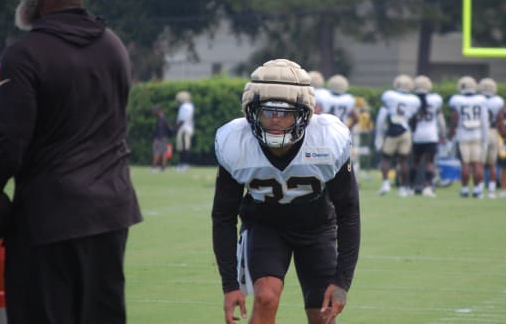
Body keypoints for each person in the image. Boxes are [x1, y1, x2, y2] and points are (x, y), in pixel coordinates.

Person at [0, 0, 142, 323]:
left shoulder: (26, 53)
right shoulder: (113, 46)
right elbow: (83, 109)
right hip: (110, 216)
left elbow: (6, 148)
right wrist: (9, 96)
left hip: (49, 221)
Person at [212, 59, 360, 324]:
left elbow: (349, 213)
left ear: (304, 113)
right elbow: (223, 216)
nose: (275, 121)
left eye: (285, 112)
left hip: (317, 227)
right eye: (268, 112)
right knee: (266, 298)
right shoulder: (235, 143)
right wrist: (229, 284)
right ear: (251, 112)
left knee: (322, 315)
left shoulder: (327, 141)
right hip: (264, 225)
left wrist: (342, 283)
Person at [375, 74, 421, 197]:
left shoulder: (390, 96)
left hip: (393, 130)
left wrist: (379, 135)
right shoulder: (414, 100)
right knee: (404, 160)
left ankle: (386, 183)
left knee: (386, 158)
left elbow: (382, 116)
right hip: (406, 130)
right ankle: (403, 188)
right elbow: (415, 119)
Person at [448, 76, 489, 198]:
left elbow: (454, 119)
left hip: (463, 135)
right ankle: (477, 189)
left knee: (465, 164)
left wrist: (451, 134)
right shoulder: (481, 100)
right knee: (477, 164)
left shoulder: (457, 100)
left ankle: (465, 189)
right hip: (477, 135)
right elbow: (484, 121)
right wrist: (485, 138)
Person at [409, 75, 445, 197]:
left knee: (415, 163)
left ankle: (411, 187)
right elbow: (441, 121)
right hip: (431, 136)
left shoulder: (412, 101)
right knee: (430, 163)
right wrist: (443, 134)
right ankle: (428, 187)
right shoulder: (435, 100)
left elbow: (411, 120)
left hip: (417, 136)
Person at [478, 78, 505, 199]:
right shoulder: (497, 101)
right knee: (493, 163)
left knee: (480, 163)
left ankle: (479, 189)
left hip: (480, 132)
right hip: (493, 131)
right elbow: (500, 120)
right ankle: (492, 190)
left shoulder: (477, 100)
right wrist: (504, 135)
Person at [175, 90, 194, 171]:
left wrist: (176, 127)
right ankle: (182, 164)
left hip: (185, 129)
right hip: (184, 128)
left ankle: (184, 164)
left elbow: (183, 119)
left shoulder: (186, 106)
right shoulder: (186, 106)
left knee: (184, 147)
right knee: (182, 147)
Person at [152, 104, 173, 172]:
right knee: (164, 152)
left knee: (157, 152)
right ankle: (163, 167)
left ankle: (154, 167)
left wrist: (158, 140)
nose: (154, 113)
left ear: (158, 111)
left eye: (154, 111)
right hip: (165, 138)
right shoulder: (165, 118)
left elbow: (160, 130)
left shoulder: (160, 119)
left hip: (160, 138)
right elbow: (169, 129)